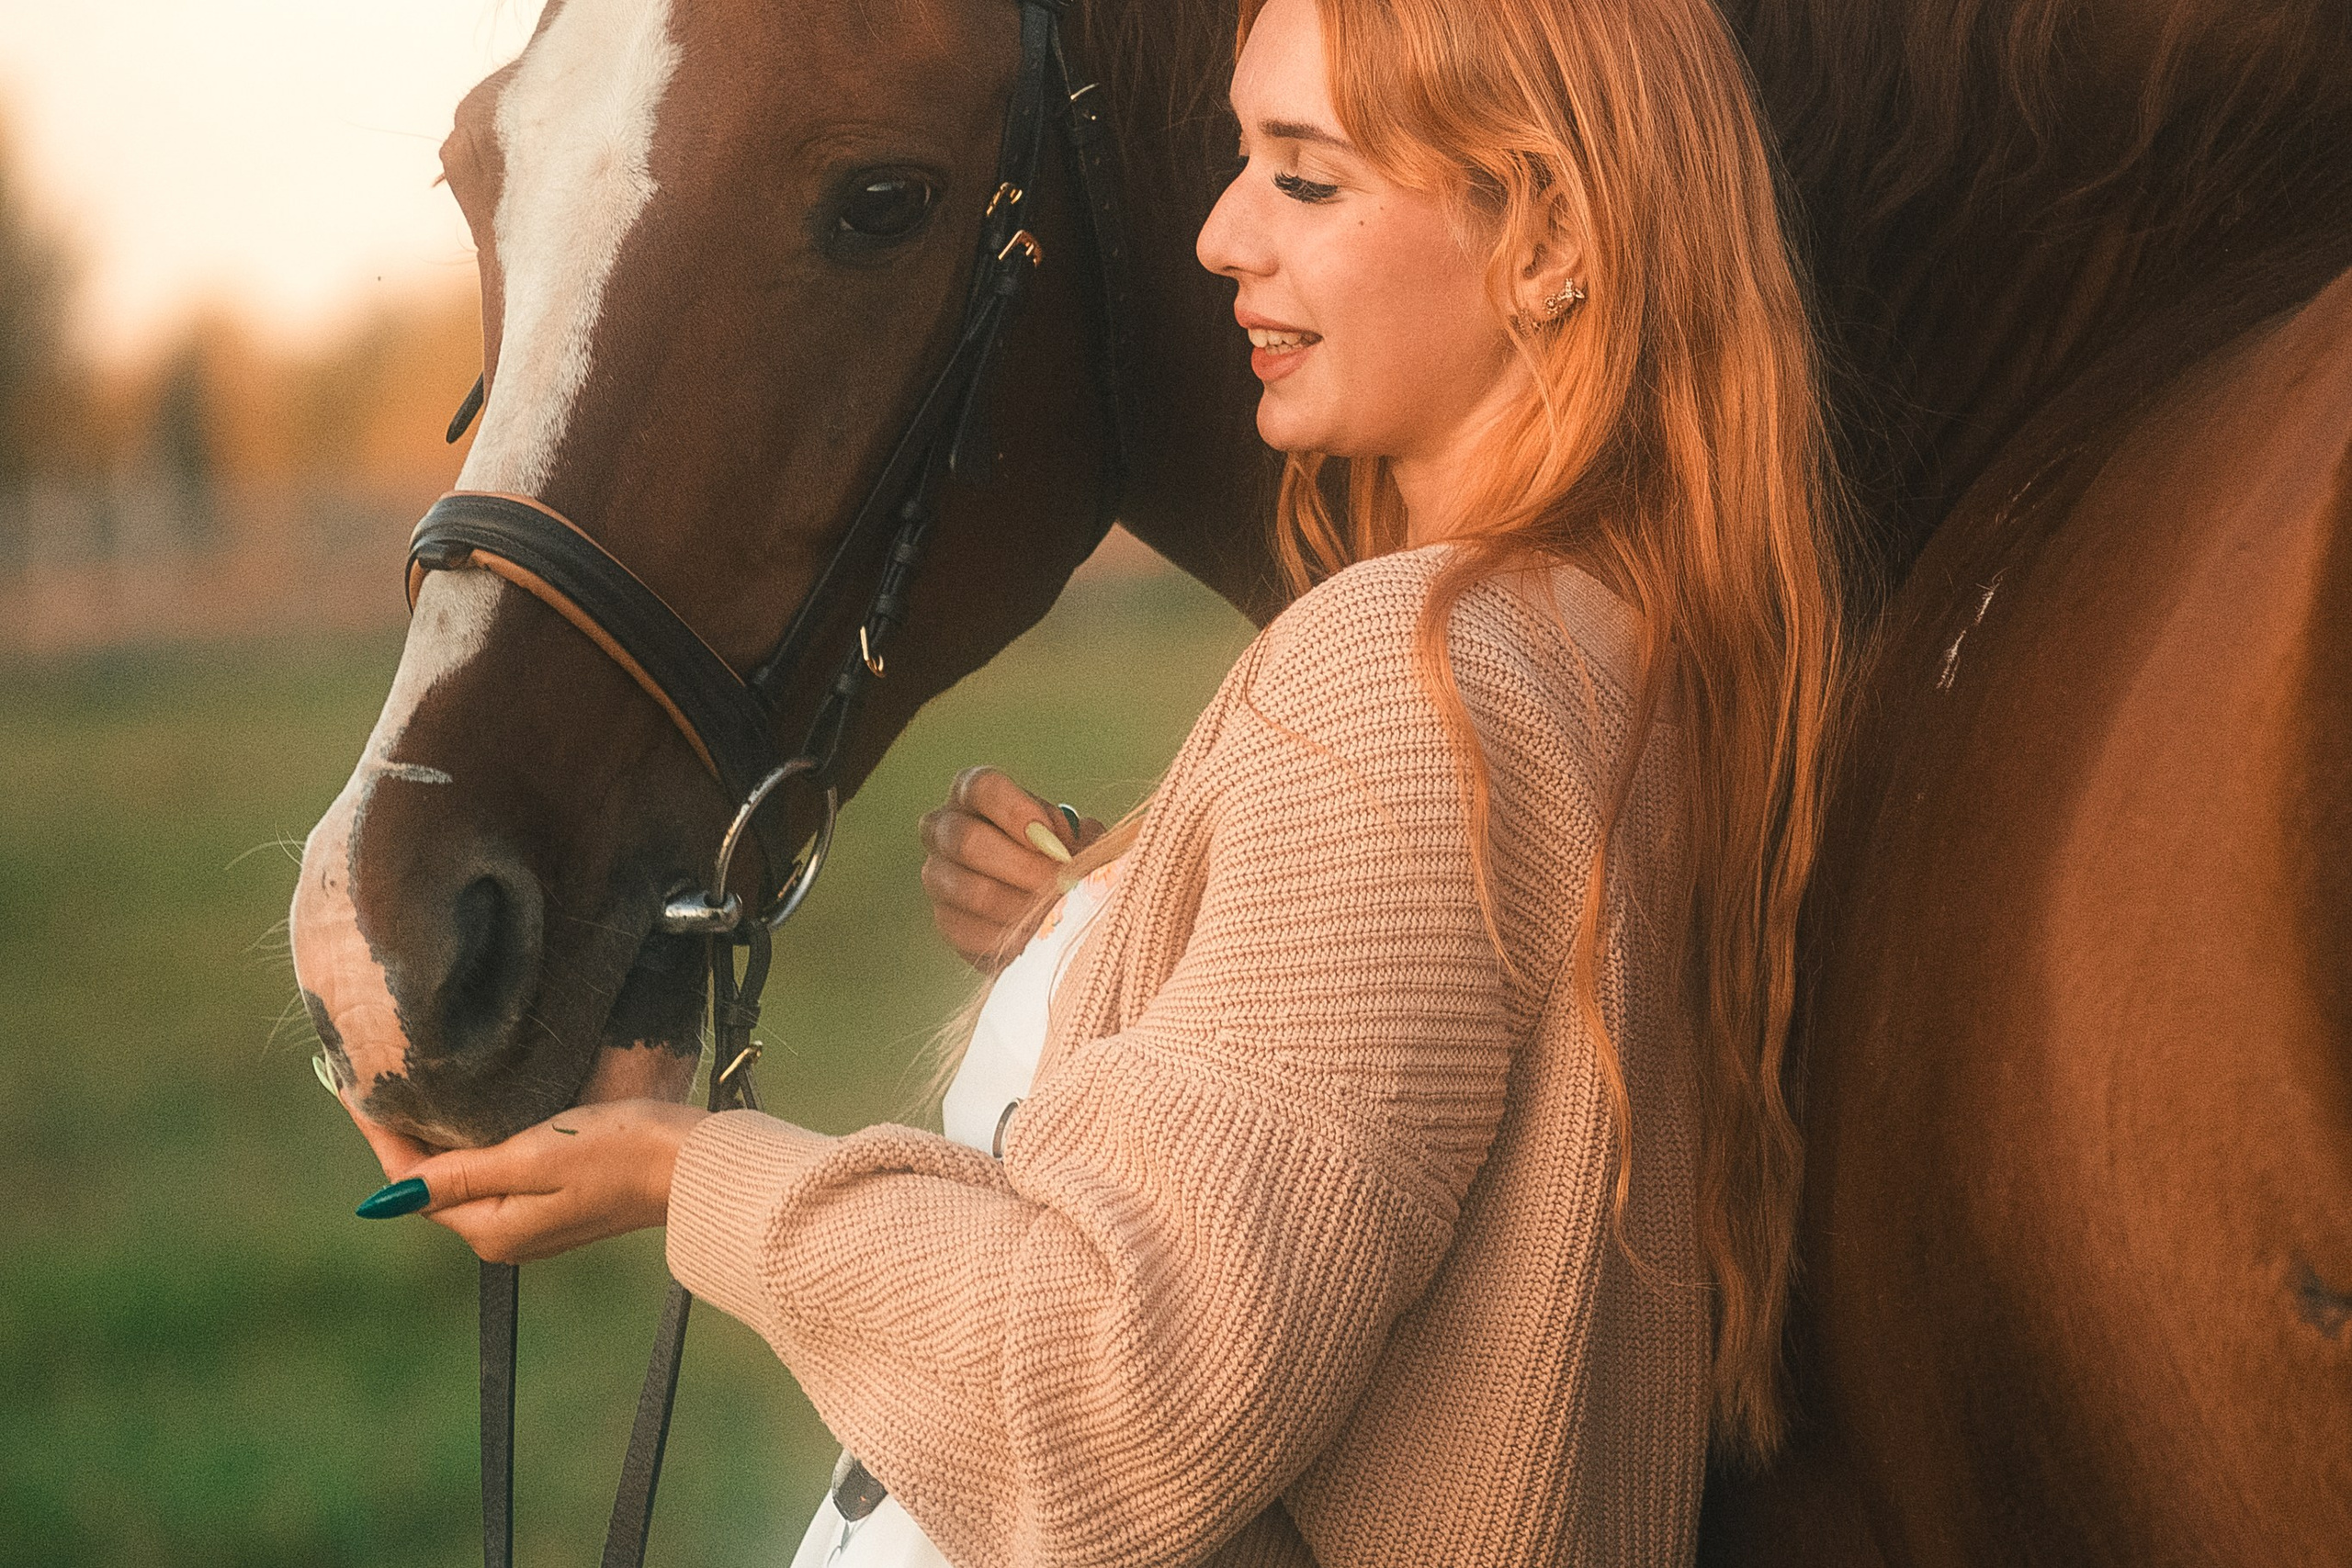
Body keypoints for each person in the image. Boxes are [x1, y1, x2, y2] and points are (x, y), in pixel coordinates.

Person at [373, 0, 1846, 1560]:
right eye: (1240, 158)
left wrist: (689, 1177)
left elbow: (1123, 1393)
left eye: (1307, 177)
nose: (1218, 235)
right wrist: (1116, 928)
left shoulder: (1409, 673)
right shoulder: (1610, 644)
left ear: (1548, 239)